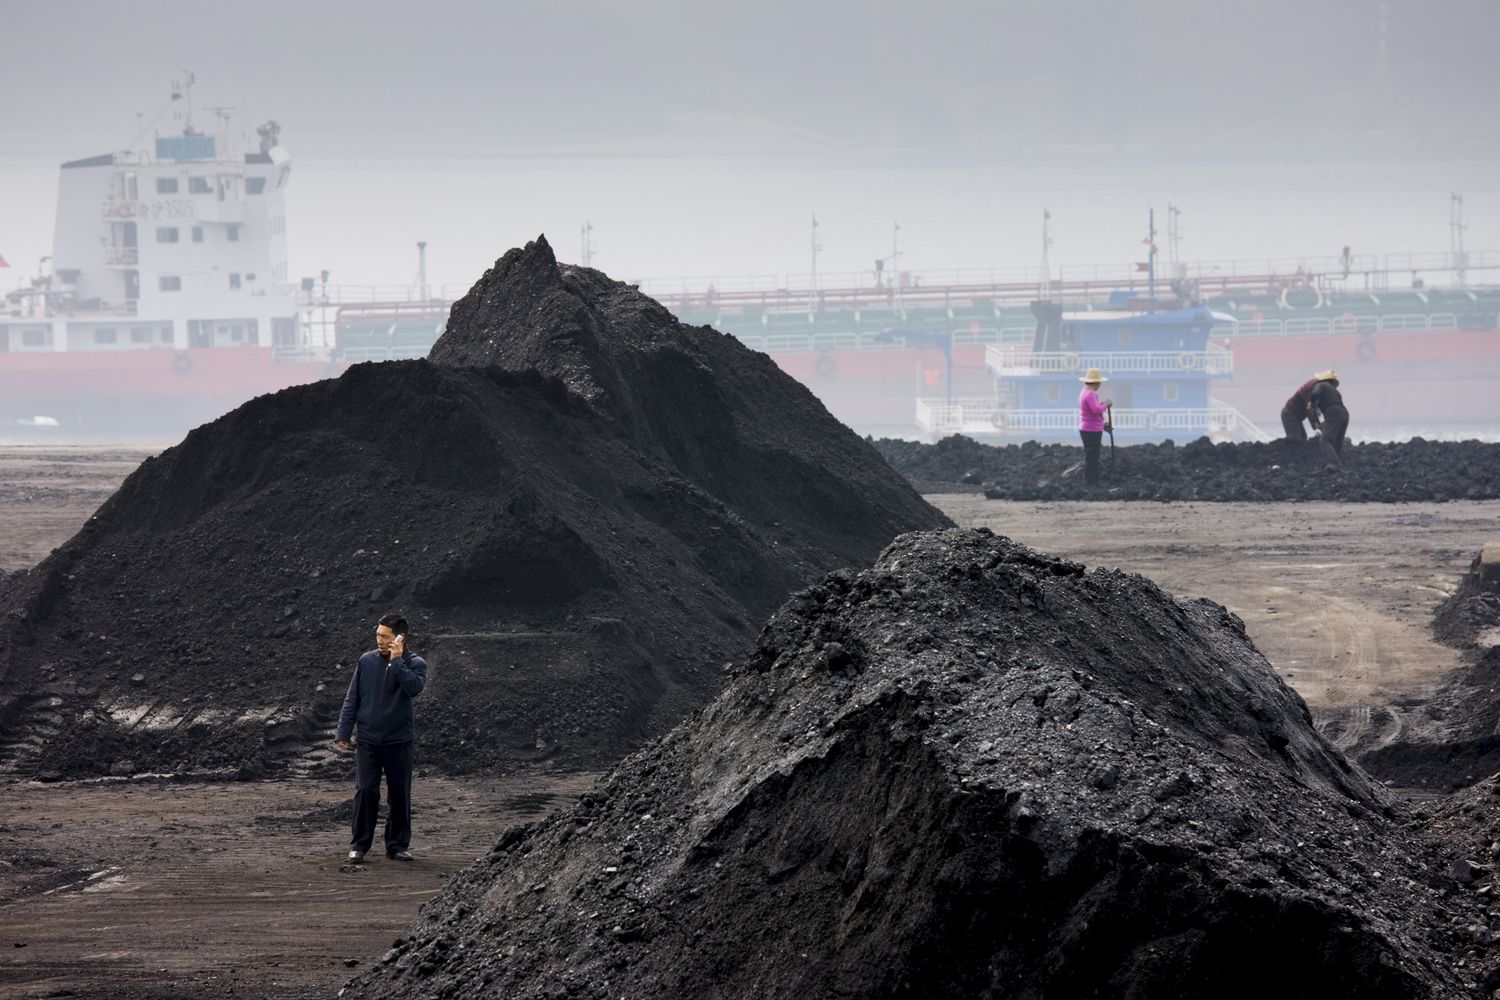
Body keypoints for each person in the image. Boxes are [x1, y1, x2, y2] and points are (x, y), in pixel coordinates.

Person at [334, 613, 428, 863]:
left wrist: (397, 662)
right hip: (367, 740)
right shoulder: (366, 661)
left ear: (399, 638)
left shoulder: (416, 663)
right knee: (365, 790)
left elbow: (414, 688)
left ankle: (396, 846)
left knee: (398, 794)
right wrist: (343, 732)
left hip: (399, 741)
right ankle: (359, 845)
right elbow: (352, 698)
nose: (379, 640)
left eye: (384, 636)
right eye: (377, 635)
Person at [1077, 367, 1112, 486]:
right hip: (1091, 430)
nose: (1100, 385)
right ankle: (1090, 481)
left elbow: (1091, 413)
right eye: (1099, 382)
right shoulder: (1091, 394)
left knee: (1091, 455)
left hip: (1087, 427)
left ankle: (1090, 480)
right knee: (1092, 456)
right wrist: (1106, 405)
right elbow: (1096, 410)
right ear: (1096, 383)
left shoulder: (1084, 392)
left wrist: (1102, 423)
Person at [1308, 369, 1349, 467]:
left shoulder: (1321, 385)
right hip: (1344, 413)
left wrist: (1311, 402)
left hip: (1333, 412)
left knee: (1325, 440)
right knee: (1337, 441)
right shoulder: (1334, 391)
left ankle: (1333, 463)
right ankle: (1339, 464)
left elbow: (1315, 394)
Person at [1280, 374, 1320, 444]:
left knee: (1303, 438)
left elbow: (1313, 409)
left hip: (1295, 416)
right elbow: (1309, 410)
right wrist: (1316, 427)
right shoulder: (1312, 388)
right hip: (1289, 415)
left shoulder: (1317, 387)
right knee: (1296, 442)